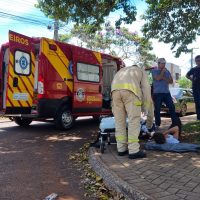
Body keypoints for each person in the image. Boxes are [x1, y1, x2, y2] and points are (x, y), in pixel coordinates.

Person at [111, 65, 154, 159]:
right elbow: (146, 89)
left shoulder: (122, 70)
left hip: (114, 92)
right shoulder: (141, 71)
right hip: (130, 93)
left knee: (119, 122)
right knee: (133, 121)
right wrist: (146, 107)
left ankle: (121, 149)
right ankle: (134, 150)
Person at [151, 58, 177, 130]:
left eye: (165, 63)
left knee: (172, 107)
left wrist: (163, 77)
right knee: (157, 109)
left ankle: (175, 123)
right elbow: (158, 78)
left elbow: (171, 81)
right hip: (157, 93)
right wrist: (162, 72)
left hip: (167, 93)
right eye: (162, 63)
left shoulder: (167, 71)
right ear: (158, 63)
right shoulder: (154, 71)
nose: (164, 64)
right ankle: (157, 124)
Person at [186, 55, 200, 120]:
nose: (198, 62)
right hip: (195, 88)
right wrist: (192, 79)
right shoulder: (193, 69)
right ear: (195, 62)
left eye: (199, 60)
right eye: (197, 61)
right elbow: (187, 75)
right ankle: (198, 117)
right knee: (197, 102)